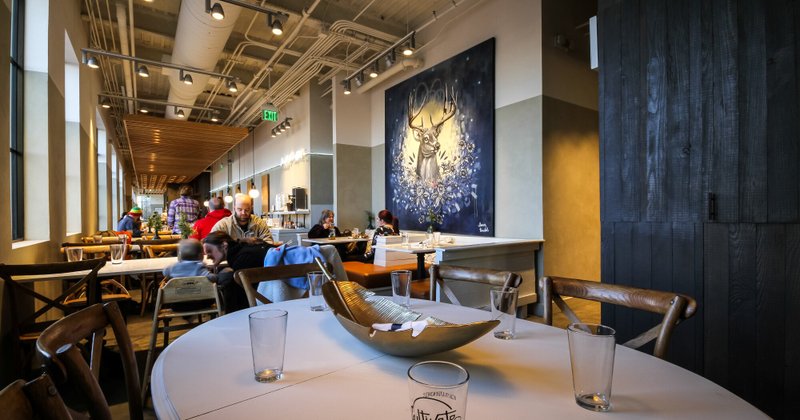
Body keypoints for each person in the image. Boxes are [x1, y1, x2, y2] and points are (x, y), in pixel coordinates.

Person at [202, 231, 277, 313]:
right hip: (282, 290)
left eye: (209, 251)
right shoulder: (243, 250)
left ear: (224, 245)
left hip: (273, 303)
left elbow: (246, 297)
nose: (208, 256)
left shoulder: (243, 259)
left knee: (228, 281)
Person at [210, 193, 274, 242]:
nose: (243, 213)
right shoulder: (223, 225)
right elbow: (211, 243)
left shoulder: (259, 224)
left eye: (247, 210)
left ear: (251, 208)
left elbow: (268, 243)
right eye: (240, 209)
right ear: (234, 208)